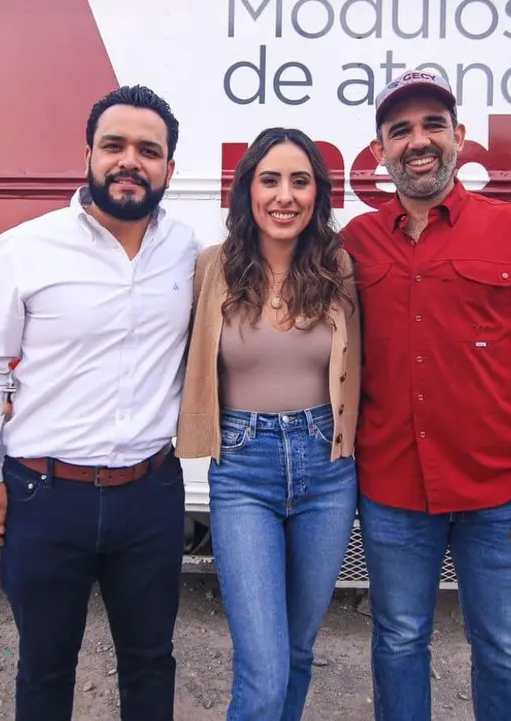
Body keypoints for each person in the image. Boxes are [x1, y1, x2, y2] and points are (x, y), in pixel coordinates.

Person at [339, 71, 511, 721]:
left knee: (507, 647)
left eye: (432, 124)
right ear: (378, 153)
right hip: (394, 491)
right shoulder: (354, 245)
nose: (417, 141)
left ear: (460, 138)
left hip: (504, 492)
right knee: (399, 640)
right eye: (399, 130)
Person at [0, 85, 201, 721]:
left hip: (150, 495)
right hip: (44, 496)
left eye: (149, 150)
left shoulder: (189, 253)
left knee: (150, 661)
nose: (129, 161)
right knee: (45, 666)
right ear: (87, 154)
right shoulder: (26, 248)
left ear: (170, 167)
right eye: (114, 145)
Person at [176, 127, 361, 721]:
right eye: (270, 180)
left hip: (328, 471)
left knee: (299, 650)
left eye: (300, 181)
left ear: (318, 195)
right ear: (247, 191)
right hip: (243, 469)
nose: (285, 196)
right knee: (263, 664)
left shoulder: (338, 268)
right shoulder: (213, 268)